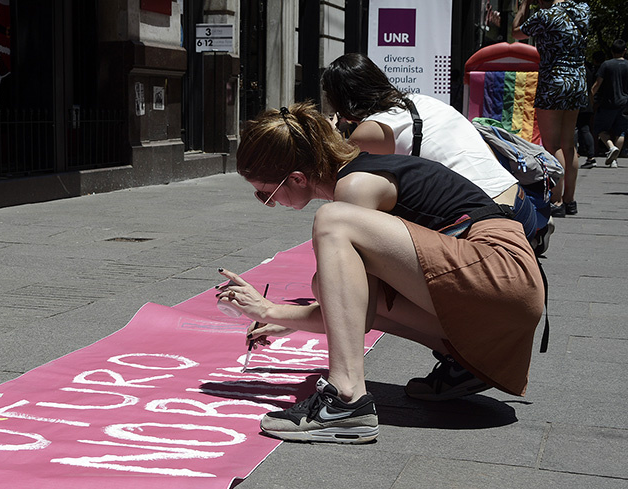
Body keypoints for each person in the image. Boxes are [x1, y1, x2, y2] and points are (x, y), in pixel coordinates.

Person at [215, 103, 544, 444]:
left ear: (297, 178)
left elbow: (363, 310)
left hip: (500, 270)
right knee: (325, 285)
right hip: (503, 299)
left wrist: (270, 310)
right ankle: (461, 361)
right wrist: (282, 317)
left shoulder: (355, 187)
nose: (266, 201)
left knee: (333, 222)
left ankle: (346, 400)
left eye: (265, 193)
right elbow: (356, 308)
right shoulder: (362, 173)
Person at [321, 53, 544, 241]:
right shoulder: (420, 101)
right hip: (522, 206)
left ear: (342, 101)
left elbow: (342, 184)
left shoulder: (373, 130)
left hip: (487, 222)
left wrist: (331, 136)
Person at [513, 0, 590, 216]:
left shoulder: (545, 16)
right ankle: (570, 200)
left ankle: (556, 200)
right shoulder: (583, 10)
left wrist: (523, 7)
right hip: (577, 81)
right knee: (568, 143)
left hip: (553, 82)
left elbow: (517, 33)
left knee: (552, 144)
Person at [590, 39, 628, 168]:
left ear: (612, 51)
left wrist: (590, 97)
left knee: (600, 129)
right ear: (625, 51)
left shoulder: (606, 65)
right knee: (621, 132)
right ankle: (614, 160)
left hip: (608, 103)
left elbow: (597, 84)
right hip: (625, 103)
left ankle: (611, 148)